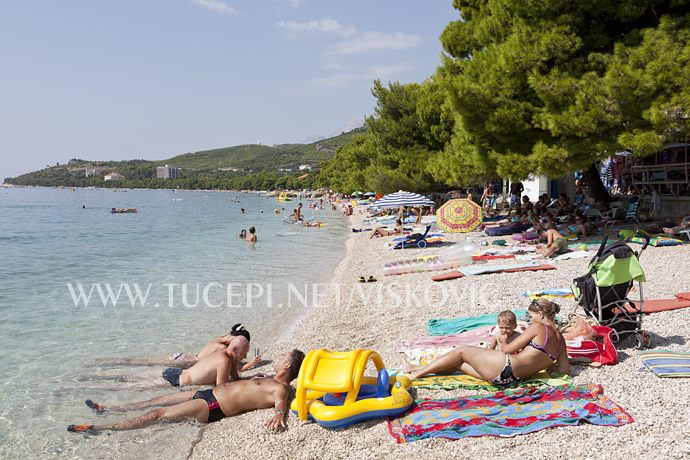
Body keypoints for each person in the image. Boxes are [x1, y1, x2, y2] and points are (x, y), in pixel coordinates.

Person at [67, 350, 305, 433]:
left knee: (158, 414)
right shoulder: (269, 378)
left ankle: (100, 428)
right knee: (158, 399)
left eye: (284, 357)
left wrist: (278, 414)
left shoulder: (280, 387)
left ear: (286, 365)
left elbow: (279, 401)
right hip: (208, 394)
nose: (280, 357)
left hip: (212, 407)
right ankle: (108, 409)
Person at [402, 299, 568, 385]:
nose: (530, 320)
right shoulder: (561, 341)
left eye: (531, 316)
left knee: (462, 351)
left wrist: (503, 340)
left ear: (540, 314)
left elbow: (507, 350)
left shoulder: (538, 327)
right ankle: (415, 368)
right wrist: (543, 363)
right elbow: (562, 370)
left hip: (505, 366)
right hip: (510, 380)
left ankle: (417, 374)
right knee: (458, 364)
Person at [96, 324, 261, 371]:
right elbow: (237, 369)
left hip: (180, 356)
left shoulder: (218, 340)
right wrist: (252, 363)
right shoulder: (223, 352)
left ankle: (105, 361)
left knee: (140, 362)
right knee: (145, 368)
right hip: (185, 364)